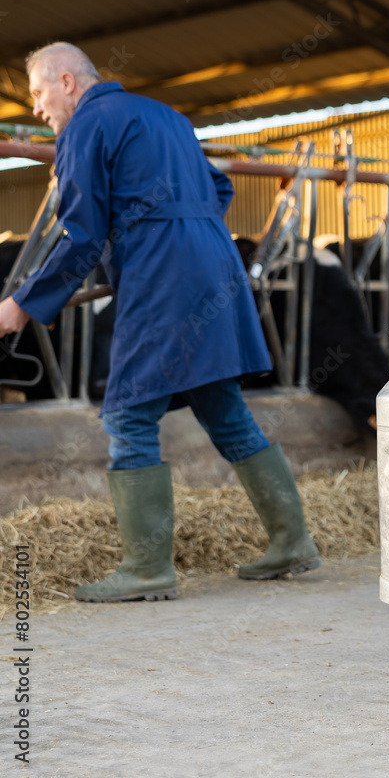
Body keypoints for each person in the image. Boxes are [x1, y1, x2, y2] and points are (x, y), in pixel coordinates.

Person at [0, 42, 320, 602]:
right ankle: (292, 542)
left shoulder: (83, 128)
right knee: (224, 410)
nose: (36, 108)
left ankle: (147, 568)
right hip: (216, 268)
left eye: (38, 92)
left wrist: (21, 304)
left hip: (163, 280)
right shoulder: (167, 117)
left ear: (69, 82)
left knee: (127, 415)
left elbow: (80, 234)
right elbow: (220, 188)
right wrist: (184, 233)